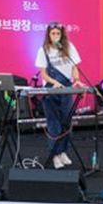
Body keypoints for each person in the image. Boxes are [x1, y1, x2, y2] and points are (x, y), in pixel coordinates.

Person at [35, 22, 82, 169]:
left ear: (62, 35)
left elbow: (74, 67)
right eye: (53, 34)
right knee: (54, 123)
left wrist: (77, 80)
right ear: (48, 35)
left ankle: (63, 152)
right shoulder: (43, 50)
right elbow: (43, 73)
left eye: (58, 34)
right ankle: (55, 154)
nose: (55, 36)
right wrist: (54, 82)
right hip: (51, 89)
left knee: (66, 121)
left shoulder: (69, 47)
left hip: (66, 88)